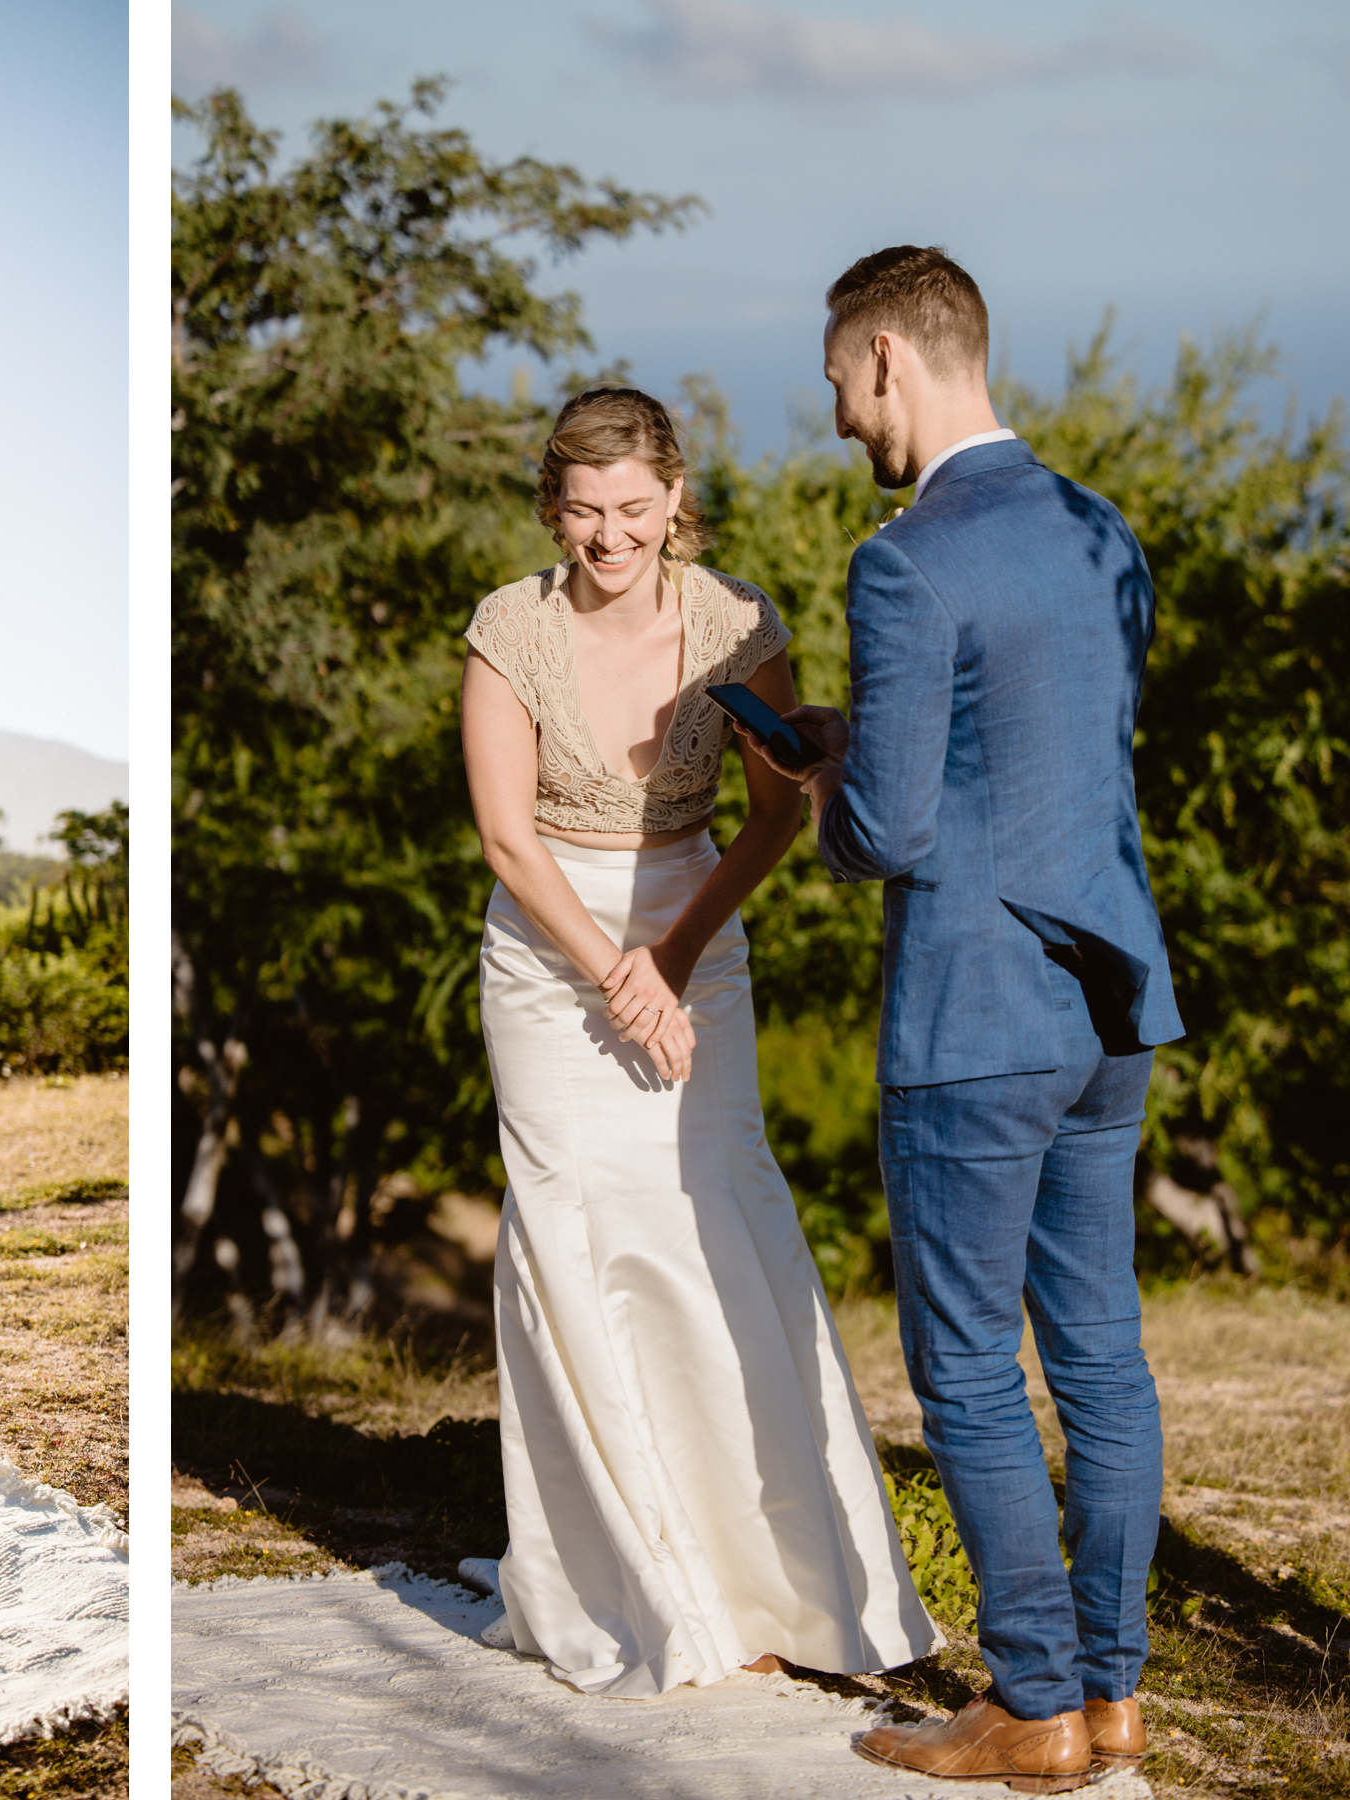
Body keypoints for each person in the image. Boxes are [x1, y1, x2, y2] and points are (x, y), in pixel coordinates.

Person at [749, 246, 1180, 1792]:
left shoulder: (906, 560)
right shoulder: (1098, 529)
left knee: (971, 1370)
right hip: (1111, 1001)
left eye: (838, 385)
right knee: (1102, 1353)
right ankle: (1115, 1696)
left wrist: (828, 779)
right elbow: (1041, 752)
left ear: (884, 358)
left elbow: (891, 835)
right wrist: (881, 744)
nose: (841, 417)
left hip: (977, 1014)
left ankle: (1032, 1701)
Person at [460, 386, 940, 1701]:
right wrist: (609, 968)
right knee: (573, 1233)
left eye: (632, 509)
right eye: (583, 511)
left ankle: (779, 1584)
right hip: (548, 945)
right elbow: (506, 835)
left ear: (675, 498)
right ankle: (634, 1586)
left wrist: (667, 961)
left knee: (713, 1220)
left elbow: (780, 817)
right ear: (551, 507)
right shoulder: (510, 627)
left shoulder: (738, 625)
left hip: (694, 929)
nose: (608, 537)